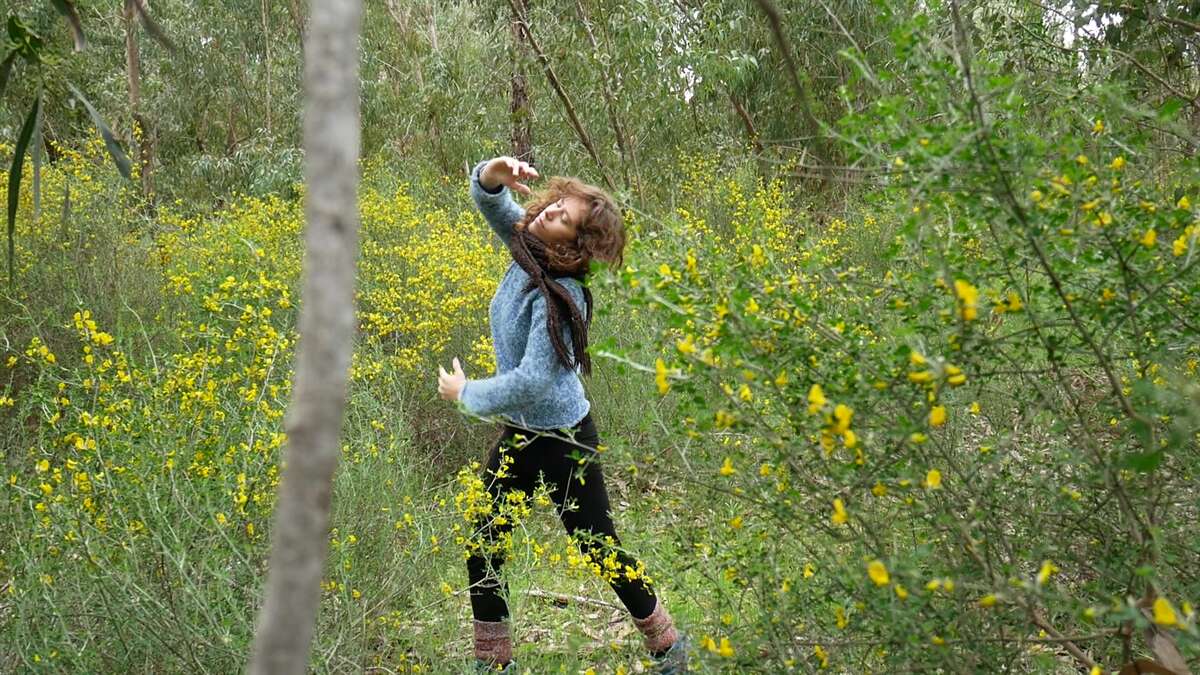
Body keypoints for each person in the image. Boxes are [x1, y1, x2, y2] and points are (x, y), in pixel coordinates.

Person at [436, 157, 688, 673]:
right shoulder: (531, 251)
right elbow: (494, 205)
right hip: (522, 433)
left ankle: (668, 645)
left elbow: (532, 380)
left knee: (597, 546)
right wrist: (491, 175)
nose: (545, 212)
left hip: (565, 439)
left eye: (560, 217)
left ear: (574, 247)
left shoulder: (561, 297)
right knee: (484, 545)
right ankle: (493, 663)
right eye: (552, 204)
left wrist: (467, 394)